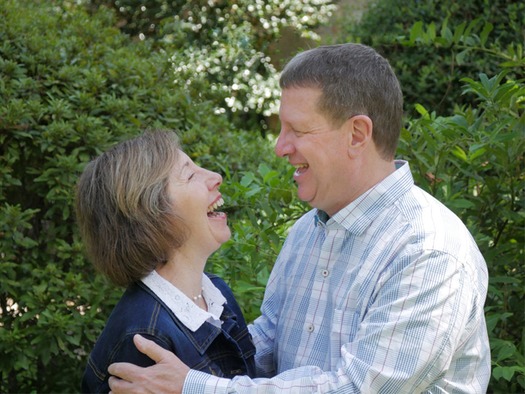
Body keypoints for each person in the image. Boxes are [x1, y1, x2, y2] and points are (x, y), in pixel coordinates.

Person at [107, 43, 491, 393]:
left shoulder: (428, 251)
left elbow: (355, 388)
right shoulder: (308, 231)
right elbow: (266, 348)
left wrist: (194, 387)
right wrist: (178, 334)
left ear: (357, 134)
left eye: (297, 130)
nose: (280, 147)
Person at [75, 130, 256, 393]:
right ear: (152, 214)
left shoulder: (217, 295)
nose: (216, 177)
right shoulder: (145, 338)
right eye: (190, 174)